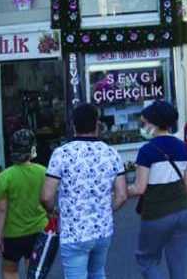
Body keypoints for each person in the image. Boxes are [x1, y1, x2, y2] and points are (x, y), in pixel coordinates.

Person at [42, 104, 127, 279]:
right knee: (97, 272)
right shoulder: (111, 153)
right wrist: (106, 210)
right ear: (97, 124)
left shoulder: (61, 154)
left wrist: (54, 211)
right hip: (103, 230)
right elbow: (122, 195)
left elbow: (46, 196)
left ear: (73, 125)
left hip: (74, 232)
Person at [128, 101, 187, 279]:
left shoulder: (147, 151)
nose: (144, 127)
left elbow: (139, 188)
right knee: (177, 262)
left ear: (153, 124)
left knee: (147, 260)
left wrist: (121, 190)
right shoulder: (183, 147)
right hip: (184, 212)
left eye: (145, 123)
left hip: (157, 213)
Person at [0, 129, 48, 279]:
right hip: (39, 229)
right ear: (32, 149)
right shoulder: (43, 172)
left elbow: (1, 209)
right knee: (34, 271)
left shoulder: (4, 176)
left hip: (13, 234)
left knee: (10, 270)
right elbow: (48, 199)